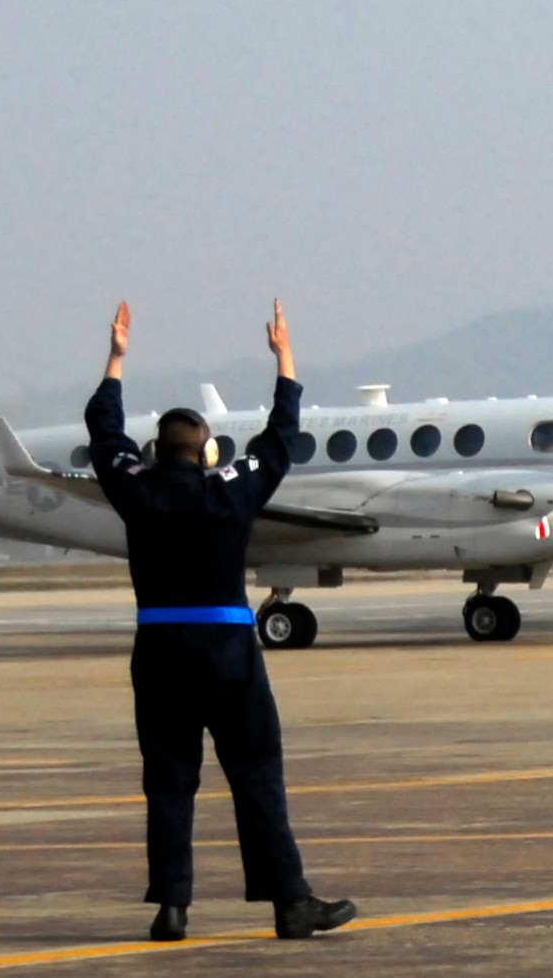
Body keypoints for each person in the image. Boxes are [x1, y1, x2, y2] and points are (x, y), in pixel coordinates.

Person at [85, 299, 356, 943]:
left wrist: (117, 358)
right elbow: (279, 440)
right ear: (207, 454)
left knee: (170, 781)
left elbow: (103, 434)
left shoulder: (137, 490)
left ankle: (173, 908)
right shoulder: (229, 490)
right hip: (228, 649)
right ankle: (289, 902)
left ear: (156, 453)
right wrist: (285, 358)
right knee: (256, 773)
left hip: (159, 651)